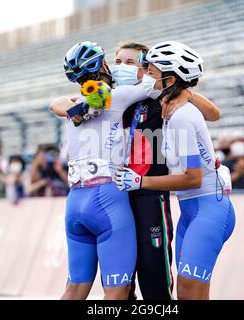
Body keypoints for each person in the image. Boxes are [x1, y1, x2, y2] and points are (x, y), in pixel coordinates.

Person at [115, 41, 235, 300]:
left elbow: (193, 178)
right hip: (192, 209)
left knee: (187, 293)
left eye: (151, 71)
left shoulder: (180, 114)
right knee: (189, 295)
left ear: (169, 79)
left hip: (206, 207)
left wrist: (140, 181)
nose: (147, 75)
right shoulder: (168, 108)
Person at [49, 41, 154, 300]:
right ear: (104, 65)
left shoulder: (74, 107)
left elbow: (57, 103)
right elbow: (156, 84)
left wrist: (76, 108)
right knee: (117, 291)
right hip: (107, 198)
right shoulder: (117, 97)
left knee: (74, 290)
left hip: (75, 201)